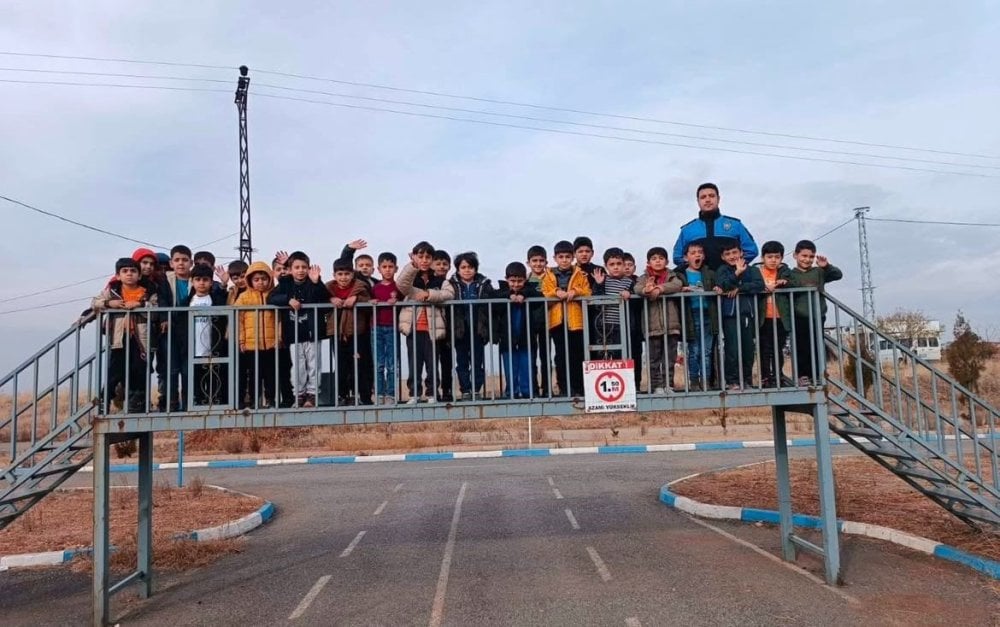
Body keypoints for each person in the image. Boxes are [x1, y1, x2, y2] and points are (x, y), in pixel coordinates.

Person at [92, 257, 158, 413]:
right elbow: (95, 302)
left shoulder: (148, 291)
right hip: (119, 339)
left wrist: (141, 305)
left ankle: (138, 404)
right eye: (125, 271)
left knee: (140, 370)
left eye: (133, 271)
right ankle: (103, 401)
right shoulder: (112, 291)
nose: (129, 274)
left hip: (140, 339)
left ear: (139, 275)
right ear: (118, 275)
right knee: (115, 371)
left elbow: (156, 310)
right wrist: (109, 304)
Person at [268, 251, 329, 407]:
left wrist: (316, 282)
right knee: (298, 366)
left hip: (312, 332)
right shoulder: (285, 282)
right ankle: (299, 395)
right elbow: (271, 298)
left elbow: (324, 298)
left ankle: (312, 395)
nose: (301, 270)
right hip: (293, 333)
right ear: (290, 269)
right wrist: (287, 300)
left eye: (304, 267)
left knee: (314, 365)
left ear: (309, 268)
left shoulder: (313, 281)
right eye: (297, 267)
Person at [396, 241, 455, 403]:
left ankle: (431, 394)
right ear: (414, 256)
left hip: (433, 330)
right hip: (413, 329)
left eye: (427, 257)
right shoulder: (411, 277)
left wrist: (429, 295)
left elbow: (449, 294)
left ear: (432, 259)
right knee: (414, 364)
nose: (424, 260)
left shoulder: (439, 280)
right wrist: (411, 266)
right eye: (420, 256)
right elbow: (401, 285)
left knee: (432, 365)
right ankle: (414, 394)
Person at [786, 240, 843, 385]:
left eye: (811, 257)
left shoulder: (818, 272)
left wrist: (827, 266)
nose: (807, 260)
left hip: (818, 315)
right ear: (795, 255)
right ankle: (802, 375)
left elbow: (838, 275)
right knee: (801, 346)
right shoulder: (791, 274)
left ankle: (817, 375)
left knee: (817, 346)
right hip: (799, 315)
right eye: (804, 256)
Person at [541, 240, 591, 397]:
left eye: (567, 257)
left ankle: (579, 388)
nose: (564, 260)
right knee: (561, 357)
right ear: (555, 258)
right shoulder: (548, 275)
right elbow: (544, 293)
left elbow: (588, 292)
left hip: (576, 322)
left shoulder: (580, 274)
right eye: (561, 257)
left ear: (572, 258)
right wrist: (556, 292)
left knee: (577, 356)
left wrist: (575, 292)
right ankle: (564, 388)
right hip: (557, 321)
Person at [672, 183, 758, 272]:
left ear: (718, 199)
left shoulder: (735, 225)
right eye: (703, 197)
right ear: (698, 201)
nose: (708, 200)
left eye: (711, 196)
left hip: (731, 281)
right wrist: (695, 270)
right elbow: (677, 257)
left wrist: (734, 268)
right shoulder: (687, 230)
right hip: (700, 283)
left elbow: (751, 251)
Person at [715, 242, 764, 389]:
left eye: (734, 252)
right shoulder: (722, 269)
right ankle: (732, 381)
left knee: (748, 348)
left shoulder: (752, 269)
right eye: (728, 254)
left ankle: (747, 379)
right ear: (723, 257)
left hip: (747, 313)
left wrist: (740, 288)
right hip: (730, 314)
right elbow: (723, 284)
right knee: (732, 348)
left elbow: (759, 285)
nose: (732, 256)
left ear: (741, 252)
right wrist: (736, 273)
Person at [449, 252, 496, 400]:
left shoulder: (483, 284)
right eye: (463, 267)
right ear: (457, 269)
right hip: (460, 329)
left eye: (470, 267)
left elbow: (495, 297)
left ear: (476, 269)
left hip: (478, 329)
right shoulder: (452, 285)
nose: (467, 270)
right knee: (461, 361)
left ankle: (476, 388)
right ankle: (465, 390)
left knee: (477, 361)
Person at [326, 258, 374, 405]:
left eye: (347, 274)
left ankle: (362, 396)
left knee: (359, 366)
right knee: (341, 365)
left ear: (352, 274)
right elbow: (317, 296)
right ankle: (342, 396)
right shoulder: (328, 288)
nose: (343, 277)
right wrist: (331, 299)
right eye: (340, 274)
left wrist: (357, 298)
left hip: (357, 332)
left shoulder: (360, 287)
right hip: (337, 332)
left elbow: (369, 303)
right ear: (334, 275)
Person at [636, 247, 683, 394]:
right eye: (654, 259)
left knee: (670, 358)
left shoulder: (672, 275)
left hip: (671, 325)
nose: (658, 261)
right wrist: (646, 290)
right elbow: (637, 288)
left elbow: (677, 285)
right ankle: (656, 386)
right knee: (653, 359)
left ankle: (668, 384)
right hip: (652, 326)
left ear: (667, 261)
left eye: (661, 258)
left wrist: (659, 288)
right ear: (648, 262)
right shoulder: (643, 277)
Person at [673, 242, 718, 390]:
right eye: (693, 253)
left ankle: (705, 381)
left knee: (707, 351)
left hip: (708, 315)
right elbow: (673, 287)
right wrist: (680, 289)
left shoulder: (710, 273)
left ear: (704, 256)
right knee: (694, 351)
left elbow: (720, 284)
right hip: (691, 316)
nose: (697, 255)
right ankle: (693, 381)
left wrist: (718, 288)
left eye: (700, 252)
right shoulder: (680, 275)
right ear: (686, 257)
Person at [234, 261, 279, 409]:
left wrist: (279, 337)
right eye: (256, 279)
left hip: (271, 344)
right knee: (254, 375)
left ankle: (271, 400)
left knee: (271, 375)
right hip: (251, 345)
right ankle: (254, 401)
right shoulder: (244, 297)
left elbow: (280, 319)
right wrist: (241, 340)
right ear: (250, 280)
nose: (260, 282)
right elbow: (237, 320)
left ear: (270, 279)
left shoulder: (274, 295)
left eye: (264, 279)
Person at [183, 263, 229, 406]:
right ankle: (197, 402)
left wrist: (223, 284)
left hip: (212, 346)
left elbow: (224, 307)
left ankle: (216, 402)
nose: (201, 283)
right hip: (193, 347)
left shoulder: (215, 299)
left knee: (213, 376)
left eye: (205, 280)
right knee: (195, 376)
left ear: (211, 282)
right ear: (192, 281)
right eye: (198, 279)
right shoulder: (187, 302)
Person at [494, 262, 541, 399]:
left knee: (527, 367)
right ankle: (511, 393)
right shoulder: (500, 292)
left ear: (525, 279)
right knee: (510, 369)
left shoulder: (531, 291)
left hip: (526, 338)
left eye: (520, 281)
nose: (515, 284)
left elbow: (540, 296)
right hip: (507, 339)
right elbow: (491, 299)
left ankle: (527, 393)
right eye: (512, 281)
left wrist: (523, 293)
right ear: (506, 279)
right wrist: (509, 295)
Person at [157, 244, 193, 411]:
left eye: (185, 260)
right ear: (171, 263)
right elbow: (162, 299)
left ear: (191, 263)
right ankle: (171, 402)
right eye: (177, 260)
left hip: (190, 330)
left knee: (187, 368)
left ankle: (187, 402)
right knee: (171, 368)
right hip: (170, 329)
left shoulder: (196, 279)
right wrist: (164, 317)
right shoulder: (166, 279)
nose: (181, 263)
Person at [755, 241, 792, 387]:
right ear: (763, 257)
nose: (773, 260)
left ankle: (778, 375)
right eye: (769, 257)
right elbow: (750, 283)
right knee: (765, 348)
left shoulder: (784, 271)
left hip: (780, 317)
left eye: (777, 257)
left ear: (782, 258)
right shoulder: (756, 271)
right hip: (763, 317)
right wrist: (762, 286)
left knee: (778, 348)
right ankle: (765, 377)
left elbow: (793, 281)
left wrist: (786, 282)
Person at [591, 247, 633, 360]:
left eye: (619, 263)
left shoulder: (629, 282)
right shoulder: (603, 280)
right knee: (602, 355)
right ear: (606, 266)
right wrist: (599, 284)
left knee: (620, 355)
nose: (616, 267)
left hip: (621, 325)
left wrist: (629, 292)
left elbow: (634, 293)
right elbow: (595, 299)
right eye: (612, 264)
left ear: (624, 265)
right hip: (603, 325)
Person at [372, 252, 400, 404]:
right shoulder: (374, 288)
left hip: (392, 327)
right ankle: (379, 394)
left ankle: (391, 394)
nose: (388, 269)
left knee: (391, 363)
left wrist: (397, 300)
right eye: (384, 267)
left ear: (396, 268)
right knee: (378, 363)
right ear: (379, 269)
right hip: (376, 328)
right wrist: (372, 301)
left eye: (391, 267)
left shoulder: (398, 287)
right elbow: (367, 300)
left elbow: (406, 299)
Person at [430, 249, 455, 402]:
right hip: (433, 326)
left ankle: (447, 389)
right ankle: (434, 391)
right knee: (432, 360)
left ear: (449, 266)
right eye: (437, 263)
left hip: (449, 327)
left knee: (447, 361)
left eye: (444, 264)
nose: (441, 267)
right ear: (432, 265)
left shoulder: (451, 283)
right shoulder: (429, 282)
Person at [526, 244, 551, 396]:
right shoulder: (526, 279)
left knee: (546, 357)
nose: (538, 264)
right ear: (528, 262)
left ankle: (547, 388)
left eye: (541, 261)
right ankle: (533, 388)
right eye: (534, 261)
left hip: (547, 322)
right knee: (532, 356)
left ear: (546, 262)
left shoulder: (551, 278)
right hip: (530, 322)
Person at [270, 252, 293, 406]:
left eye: (285, 268)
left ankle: (299, 397)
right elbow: (271, 299)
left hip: (298, 335)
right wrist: (287, 300)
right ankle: (286, 399)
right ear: (273, 273)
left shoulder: (296, 286)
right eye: (279, 269)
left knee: (298, 368)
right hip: (281, 337)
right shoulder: (275, 290)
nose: (282, 272)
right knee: (282, 370)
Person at [622, 251, 644, 386]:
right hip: (620, 326)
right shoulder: (615, 283)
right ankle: (624, 385)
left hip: (636, 326)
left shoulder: (639, 282)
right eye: (624, 265)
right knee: (622, 356)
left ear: (634, 267)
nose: (627, 268)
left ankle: (636, 384)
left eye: (630, 265)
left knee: (636, 355)